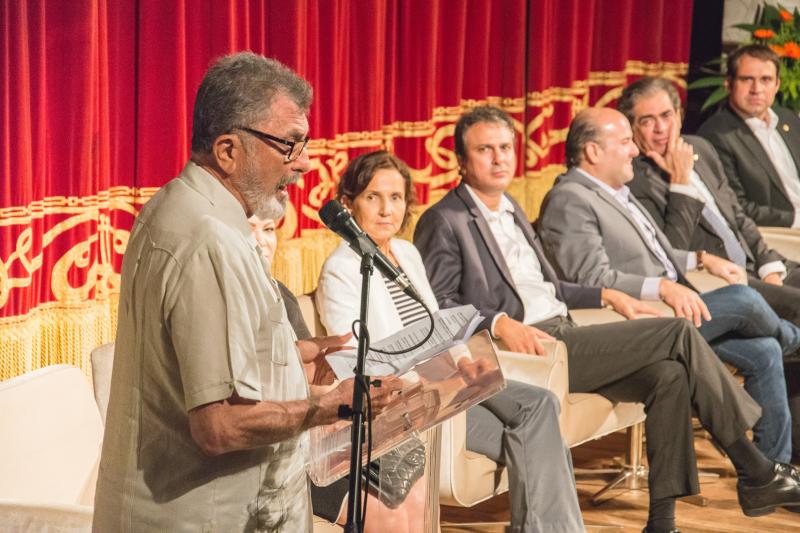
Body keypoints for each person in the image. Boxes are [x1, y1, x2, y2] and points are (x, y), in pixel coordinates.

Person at [414, 105, 800, 531]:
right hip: (531, 348)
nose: (499, 158)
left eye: (505, 147)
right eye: (485, 150)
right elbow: (439, 305)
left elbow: (552, 289)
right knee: (677, 331)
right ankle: (753, 467)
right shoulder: (444, 220)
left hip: (565, 329)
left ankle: (662, 522)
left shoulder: (512, 209)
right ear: (462, 160)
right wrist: (498, 322)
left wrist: (607, 294)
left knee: (669, 375)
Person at [93, 52, 400, 533]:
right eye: (289, 144)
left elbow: (199, 356)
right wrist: (335, 405)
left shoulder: (182, 206)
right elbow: (218, 426)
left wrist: (292, 354)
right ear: (227, 150)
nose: (304, 163)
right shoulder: (207, 239)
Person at [317, 150, 585, 533]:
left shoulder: (406, 253)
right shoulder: (341, 270)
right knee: (540, 439)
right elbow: (356, 360)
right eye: (373, 197)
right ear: (349, 204)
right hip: (411, 399)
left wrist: (464, 362)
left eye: (396, 198)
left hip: (450, 380)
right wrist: (427, 382)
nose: (386, 210)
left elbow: (435, 323)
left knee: (541, 402)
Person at [538, 106, 800, 465]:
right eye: (625, 142)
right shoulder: (570, 198)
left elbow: (653, 253)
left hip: (676, 307)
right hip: (636, 321)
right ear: (593, 152)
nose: (635, 150)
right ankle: (795, 339)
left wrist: (699, 259)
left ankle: (773, 469)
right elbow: (592, 278)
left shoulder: (615, 191)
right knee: (744, 298)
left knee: (764, 349)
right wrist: (661, 287)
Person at [620, 76, 800, 325]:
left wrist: (769, 266)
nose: (660, 128)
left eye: (666, 115)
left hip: (757, 266)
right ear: (632, 128)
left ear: (679, 116)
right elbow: (669, 256)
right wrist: (680, 184)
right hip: (722, 283)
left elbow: (738, 217)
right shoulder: (635, 181)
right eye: (647, 121)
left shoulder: (700, 148)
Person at [697, 44, 800, 228]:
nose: (756, 89)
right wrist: (796, 220)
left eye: (766, 79)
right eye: (747, 79)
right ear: (729, 84)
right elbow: (736, 207)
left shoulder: (789, 119)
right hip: (773, 233)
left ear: (777, 85)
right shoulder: (716, 134)